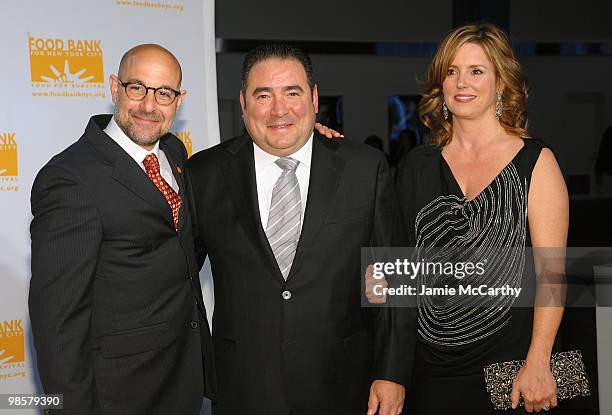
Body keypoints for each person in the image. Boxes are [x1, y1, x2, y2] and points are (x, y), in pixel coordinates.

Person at [187, 43, 415, 415]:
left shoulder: (365, 169)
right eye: (264, 95)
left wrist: (392, 372)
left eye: (292, 93)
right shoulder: (204, 174)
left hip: (343, 385)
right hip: (243, 388)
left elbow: (393, 281)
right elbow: (179, 279)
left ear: (313, 97)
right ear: (243, 104)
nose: (279, 110)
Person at [29, 44, 214, 414]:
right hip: (118, 393)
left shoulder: (175, 154)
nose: (149, 105)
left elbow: (181, 247)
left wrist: (307, 137)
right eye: (137, 88)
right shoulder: (70, 179)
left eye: (164, 93)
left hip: (181, 379)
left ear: (179, 100)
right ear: (115, 87)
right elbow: (58, 321)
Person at [395, 24, 568, 414]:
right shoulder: (416, 167)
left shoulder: (536, 162)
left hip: (514, 369)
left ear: (500, 82)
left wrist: (539, 362)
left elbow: (553, 276)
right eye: (452, 70)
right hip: (432, 371)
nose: (461, 82)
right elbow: (396, 271)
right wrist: (324, 151)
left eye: (476, 71)